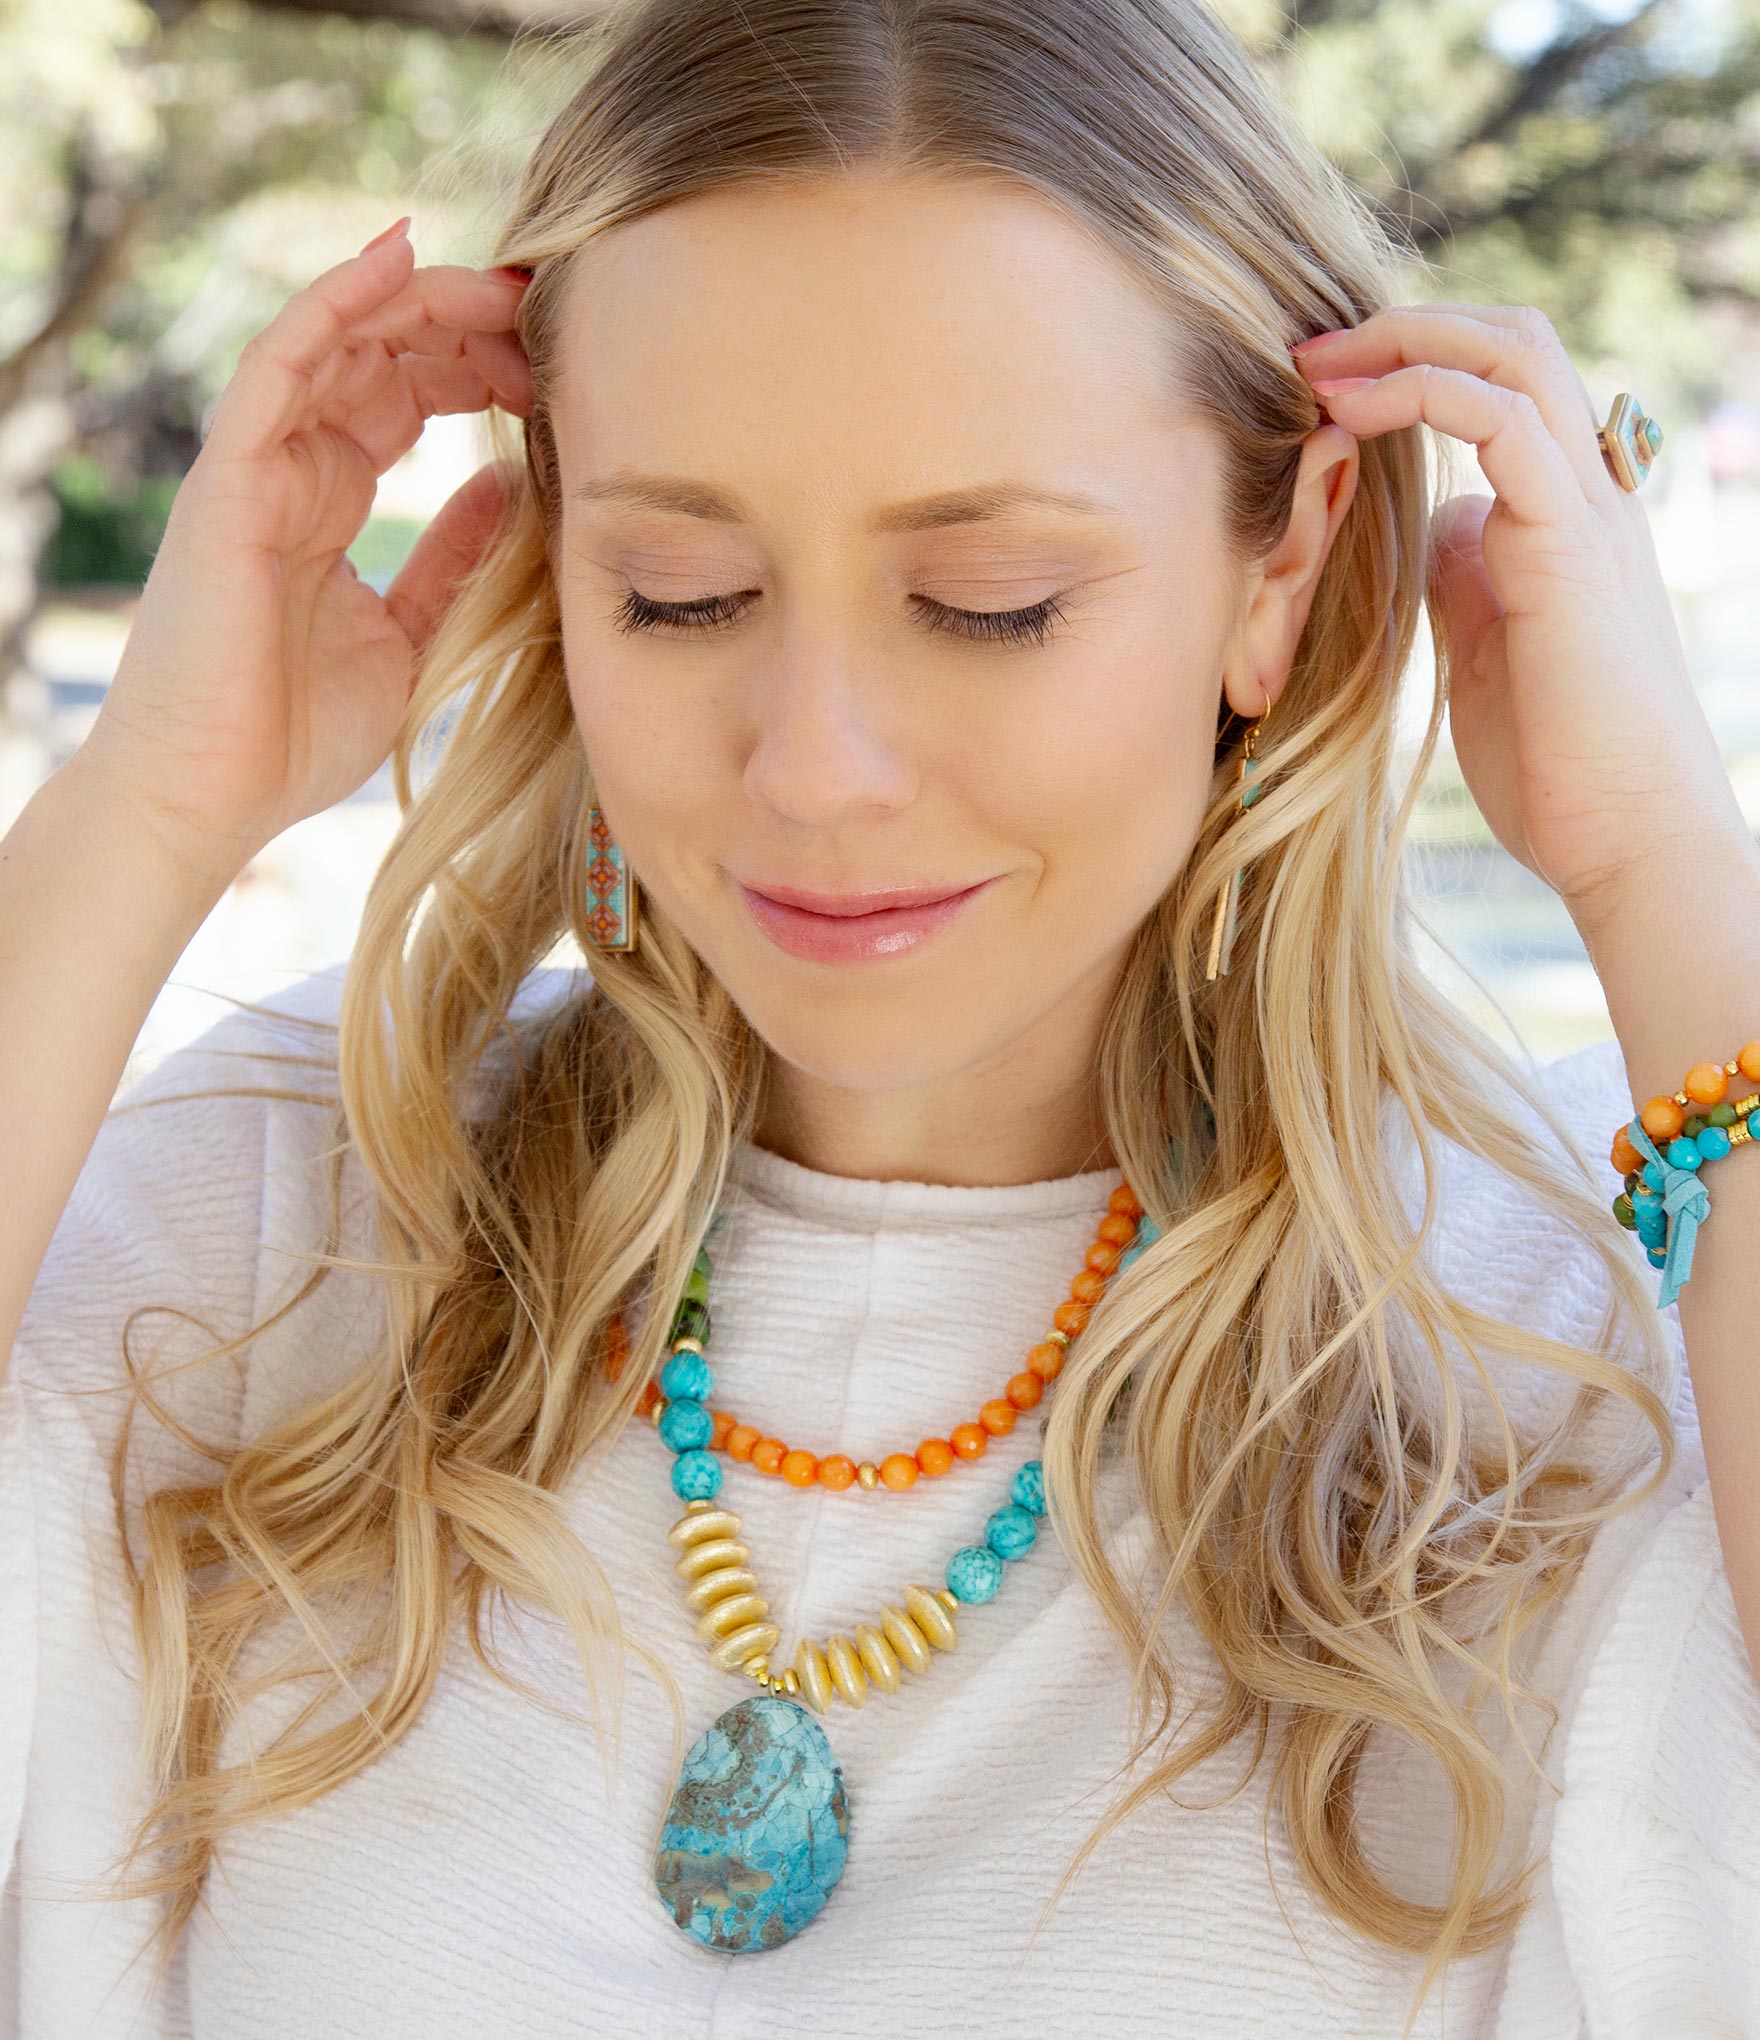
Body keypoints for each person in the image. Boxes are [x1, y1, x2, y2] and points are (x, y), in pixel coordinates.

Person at [3, 0, 1758, 2032]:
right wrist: (146, 811)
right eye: (678, 590)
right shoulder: (265, 1217)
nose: (815, 767)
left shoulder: (1577, 1355)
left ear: (1279, 562)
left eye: (990, 600)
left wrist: (1660, 865)